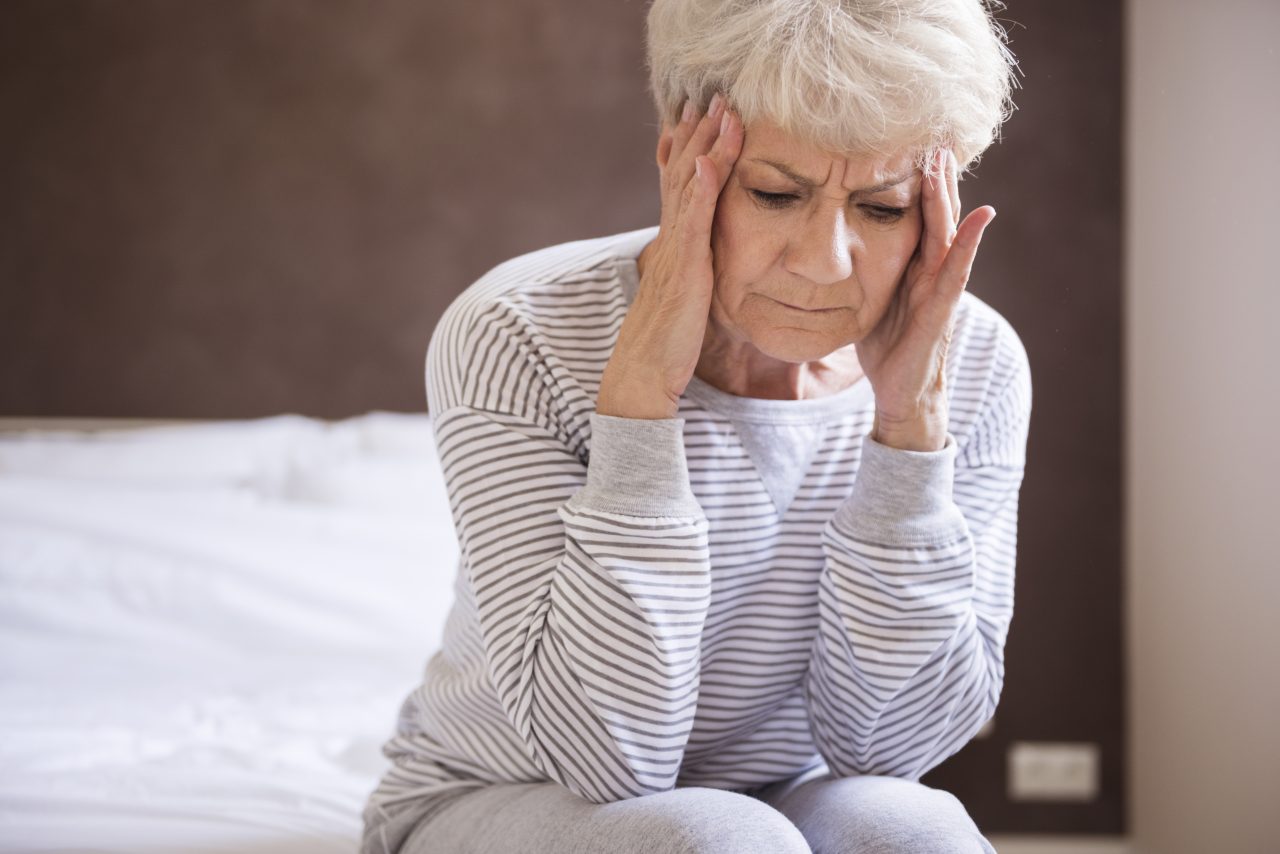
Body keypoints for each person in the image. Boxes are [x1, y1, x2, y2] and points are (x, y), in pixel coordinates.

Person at [363, 0, 1029, 851]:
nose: (825, 262)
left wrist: (907, 431)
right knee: (716, 842)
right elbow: (606, 760)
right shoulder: (521, 329)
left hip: (785, 796)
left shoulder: (976, 363)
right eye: (776, 193)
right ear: (682, 155)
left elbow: (889, 752)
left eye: (883, 208)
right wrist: (641, 394)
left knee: (917, 831)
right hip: (505, 792)